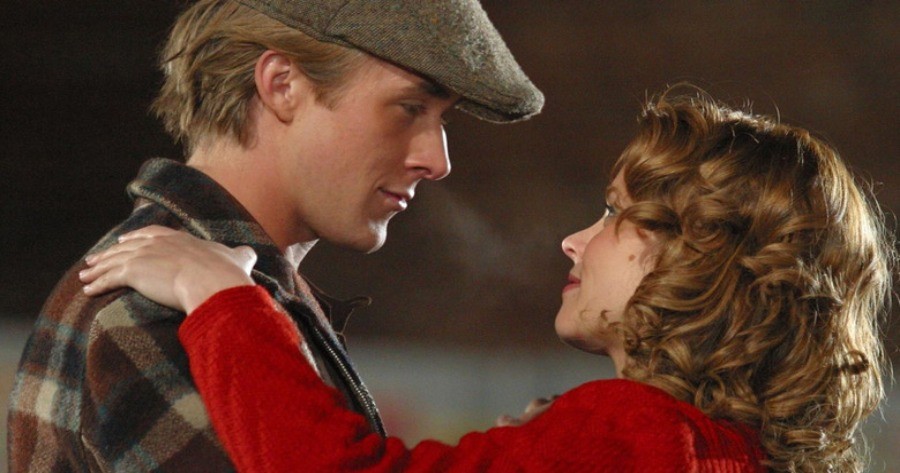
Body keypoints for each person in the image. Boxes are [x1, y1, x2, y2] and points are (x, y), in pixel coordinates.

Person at [79, 89, 894, 472]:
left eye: (616, 214)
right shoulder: (730, 452)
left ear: (701, 257)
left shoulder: (633, 432)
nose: (576, 240)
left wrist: (225, 299)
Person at [7, 1, 543, 471]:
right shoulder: (154, 313)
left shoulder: (226, 301)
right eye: (410, 108)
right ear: (282, 84)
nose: (437, 160)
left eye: (442, 119)